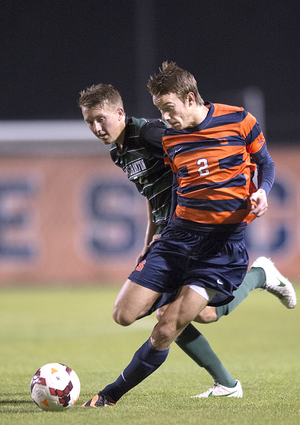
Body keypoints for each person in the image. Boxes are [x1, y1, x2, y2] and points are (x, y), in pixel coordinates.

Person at [78, 70, 296, 407]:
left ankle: (112, 395)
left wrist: (256, 193)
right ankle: (228, 375)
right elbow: (164, 187)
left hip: (214, 239)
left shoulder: (156, 133)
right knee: (141, 314)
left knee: (171, 321)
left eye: (100, 119)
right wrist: (151, 239)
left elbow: (259, 161)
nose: (96, 128)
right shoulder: (137, 148)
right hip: (175, 236)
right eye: (90, 122)